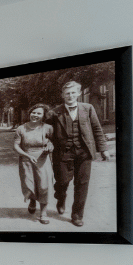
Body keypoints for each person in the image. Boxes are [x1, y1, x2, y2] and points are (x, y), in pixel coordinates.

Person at [48, 80, 108, 227]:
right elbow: (47, 132)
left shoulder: (88, 108)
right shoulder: (54, 112)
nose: (70, 95)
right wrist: (47, 143)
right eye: (67, 93)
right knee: (62, 181)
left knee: (82, 184)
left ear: (79, 93)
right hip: (63, 152)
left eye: (73, 92)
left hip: (84, 152)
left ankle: (77, 215)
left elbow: (97, 129)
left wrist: (103, 149)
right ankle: (61, 197)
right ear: (62, 95)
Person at [12, 104, 54, 224]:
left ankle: (43, 213)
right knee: (29, 184)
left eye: (39, 113)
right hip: (26, 159)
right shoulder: (21, 128)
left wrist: (49, 146)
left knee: (44, 185)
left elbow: (53, 142)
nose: (35, 115)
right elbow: (16, 146)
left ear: (43, 116)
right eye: (33, 112)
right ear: (29, 113)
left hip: (43, 160)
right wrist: (27, 156)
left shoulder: (48, 128)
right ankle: (32, 200)